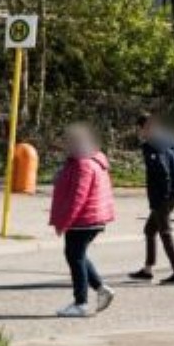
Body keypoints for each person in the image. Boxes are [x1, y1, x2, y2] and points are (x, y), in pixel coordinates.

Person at [49, 124, 117, 317]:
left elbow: (77, 196)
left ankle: (81, 303)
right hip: (91, 218)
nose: (65, 145)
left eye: (68, 141)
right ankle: (101, 289)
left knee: (75, 256)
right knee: (77, 255)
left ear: (77, 142)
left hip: (84, 220)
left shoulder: (83, 164)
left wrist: (64, 222)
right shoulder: (89, 159)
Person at [129, 113, 174, 284]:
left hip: (163, 194)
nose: (139, 133)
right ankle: (148, 269)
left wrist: (163, 195)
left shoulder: (151, 146)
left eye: (140, 129)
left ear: (144, 128)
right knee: (150, 230)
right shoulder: (171, 140)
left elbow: (161, 171)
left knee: (165, 231)